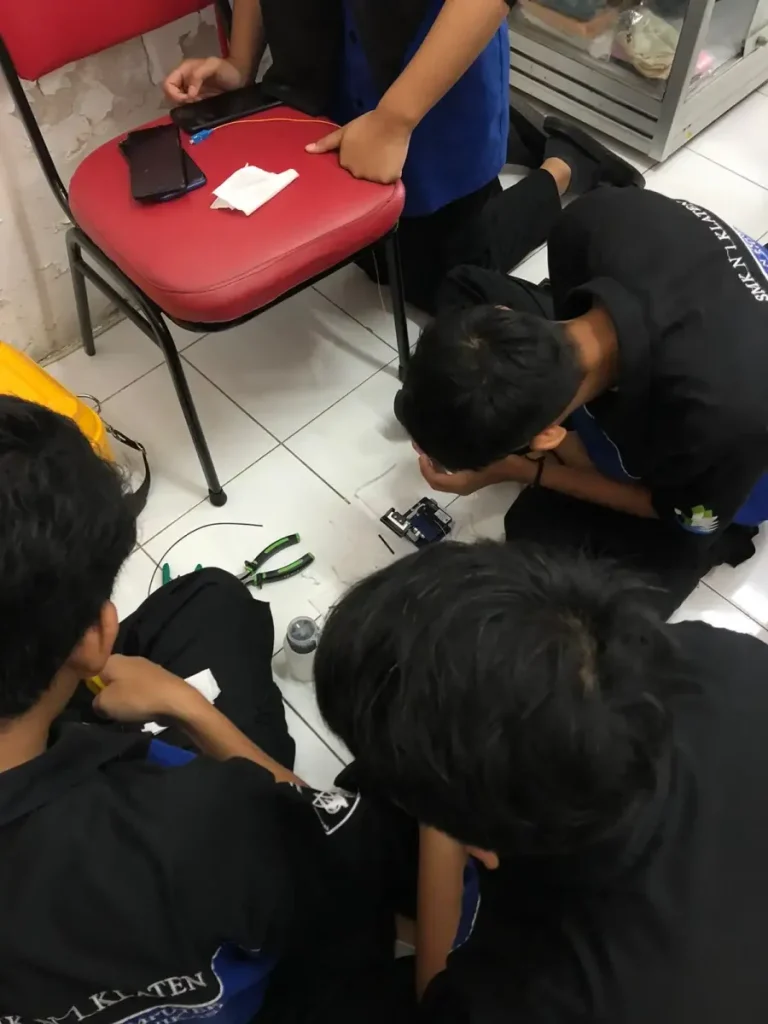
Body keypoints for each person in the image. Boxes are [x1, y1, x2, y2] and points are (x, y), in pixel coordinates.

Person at [0, 396, 431, 1024]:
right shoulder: (195, 821)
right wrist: (188, 707)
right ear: (95, 638)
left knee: (207, 599)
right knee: (217, 604)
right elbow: (345, 858)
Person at [314, 540, 768, 1024]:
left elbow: (435, 993)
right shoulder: (728, 659)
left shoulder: (537, 997)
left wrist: (439, 814)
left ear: (483, 847)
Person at [397, 185, 768, 614]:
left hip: (743, 465)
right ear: (503, 314)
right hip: (686, 308)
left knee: (554, 567)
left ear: (548, 436)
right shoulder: (588, 222)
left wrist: (520, 470)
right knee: (461, 287)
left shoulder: (721, 424)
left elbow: (674, 514)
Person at [162, 0, 638, 312]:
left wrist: (394, 121)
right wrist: (240, 62)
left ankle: (566, 163)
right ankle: (515, 132)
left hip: (427, 74)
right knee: (373, 260)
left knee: (452, 284)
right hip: (326, 75)